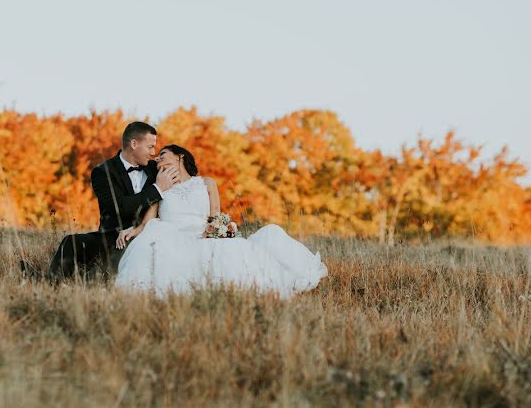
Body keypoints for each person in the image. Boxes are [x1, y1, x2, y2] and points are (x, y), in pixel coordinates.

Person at [113, 145, 327, 297]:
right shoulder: (159, 186)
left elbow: (215, 214)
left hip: (206, 235)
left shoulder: (206, 182)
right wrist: (132, 231)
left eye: (162, 154)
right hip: (175, 239)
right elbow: (148, 222)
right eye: (156, 158)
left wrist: (216, 229)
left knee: (267, 235)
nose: (157, 159)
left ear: (180, 156)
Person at [47, 121, 180, 279]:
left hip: (148, 235)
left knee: (102, 272)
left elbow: (182, 170)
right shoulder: (103, 172)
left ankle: (86, 279)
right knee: (71, 242)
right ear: (134, 144)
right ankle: (49, 280)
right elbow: (119, 207)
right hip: (112, 238)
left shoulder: (154, 169)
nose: (153, 153)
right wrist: (157, 189)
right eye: (150, 147)